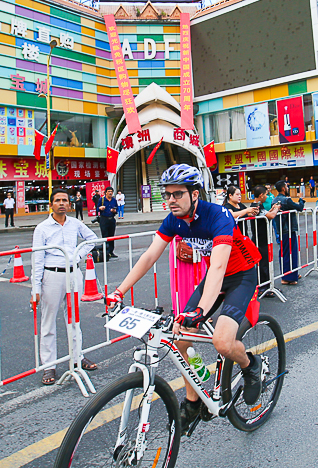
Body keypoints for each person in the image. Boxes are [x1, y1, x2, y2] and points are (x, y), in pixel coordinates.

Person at [105, 164, 263, 433]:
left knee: (223, 343)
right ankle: (193, 401)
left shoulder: (219, 216)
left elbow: (218, 267)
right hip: (216, 277)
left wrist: (199, 310)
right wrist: (119, 291)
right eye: (167, 194)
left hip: (240, 275)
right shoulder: (174, 219)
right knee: (181, 338)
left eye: (177, 194)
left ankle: (249, 365)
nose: (170, 200)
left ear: (195, 194)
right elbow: (149, 256)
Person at [31, 189, 99, 385]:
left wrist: (78, 255)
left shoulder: (75, 224)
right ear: (51, 204)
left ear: (69, 204)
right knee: (48, 322)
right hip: (51, 276)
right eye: (58, 200)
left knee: (74, 320)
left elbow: (92, 239)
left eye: (65, 200)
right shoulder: (42, 228)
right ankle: (49, 366)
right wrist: (35, 288)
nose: (62, 203)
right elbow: (37, 259)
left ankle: (78, 357)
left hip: (73, 274)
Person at [273, 180, 305, 284]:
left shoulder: (275, 200)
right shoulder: (287, 200)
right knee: (292, 252)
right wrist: (301, 199)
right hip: (289, 229)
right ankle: (290, 277)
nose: (288, 188)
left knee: (284, 252)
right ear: (283, 188)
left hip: (281, 230)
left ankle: (288, 274)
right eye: (287, 186)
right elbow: (300, 208)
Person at [249, 185, 280, 291]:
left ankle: (266, 284)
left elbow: (267, 214)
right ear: (261, 195)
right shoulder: (256, 206)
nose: (267, 196)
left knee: (266, 263)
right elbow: (271, 216)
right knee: (263, 264)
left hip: (262, 237)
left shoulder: (259, 205)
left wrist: (272, 209)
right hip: (260, 238)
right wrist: (275, 210)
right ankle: (263, 287)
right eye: (266, 194)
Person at [97, 186, 119, 259]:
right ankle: (106, 252)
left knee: (111, 236)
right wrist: (100, 208)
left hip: (111, 219)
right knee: (105, 236)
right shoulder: (102, 199)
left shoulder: (114, 200)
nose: (110, 193)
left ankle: (111, 251)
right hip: (104, 219)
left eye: (111, 191)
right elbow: (97, 208)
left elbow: (117, 209)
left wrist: (114, 211)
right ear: (106, 192)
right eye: (108, 191)